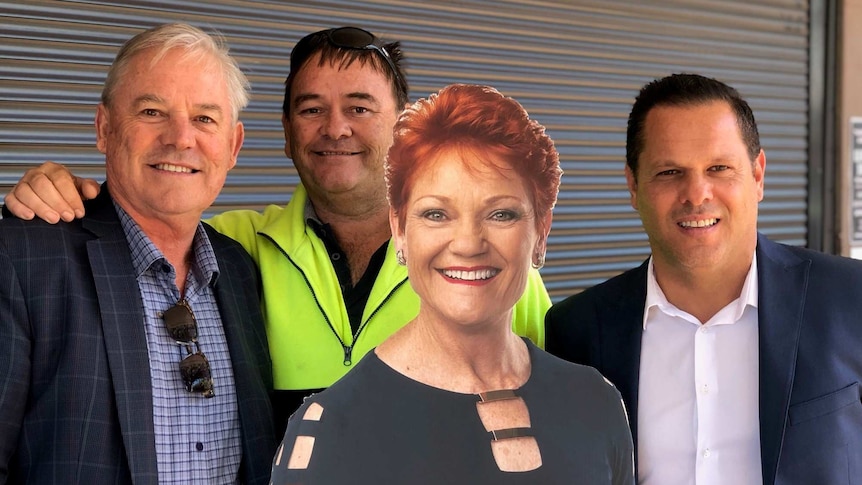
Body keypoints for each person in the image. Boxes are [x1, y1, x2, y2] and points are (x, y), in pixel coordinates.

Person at [3, 26, 552, 434]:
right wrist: (60, 189)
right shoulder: (232, 249)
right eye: (311, 109)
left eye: (359, 107)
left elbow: (556, 425)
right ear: (286, 134)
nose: (335, 128)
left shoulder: (492, 265)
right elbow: (150, 210)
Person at [270, 84, 633, 484]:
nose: (467, 244)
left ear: (541, 232)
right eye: (437, 214)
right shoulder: (329, 429)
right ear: (400, 231)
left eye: (501, 214)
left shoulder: (596, 402)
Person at [545, 73, 862, 485]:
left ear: (758, 174)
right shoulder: (577, 331)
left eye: (719, 167)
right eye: (669, 172)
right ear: (633, 186)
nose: (696, 194)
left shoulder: (849, 298)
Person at [0, 23, 276, 484]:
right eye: (152, 111)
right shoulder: (23, 257)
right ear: (105, 128)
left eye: (205, 118)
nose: (180, 138)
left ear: (233, 146)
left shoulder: (240, 269)